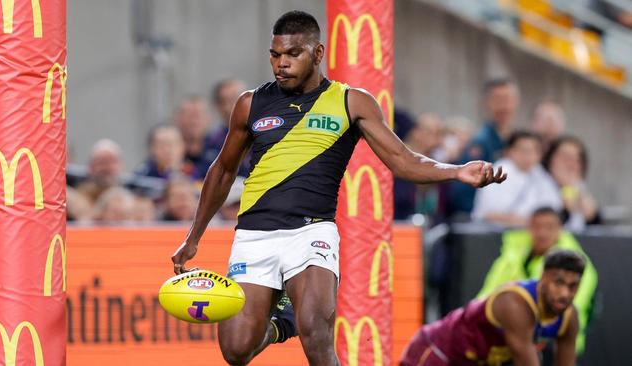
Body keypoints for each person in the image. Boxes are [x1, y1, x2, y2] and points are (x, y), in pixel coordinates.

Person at [170, 10, 506, 366]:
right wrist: (194, 236)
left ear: (317, 54)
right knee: (236, 350)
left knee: (316, 332)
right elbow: (222, 170)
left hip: (312, 231)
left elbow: (402, 160)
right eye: (275, 55)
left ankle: (294, 319)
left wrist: (456, 171)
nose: (281, 64)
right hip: (255, 234)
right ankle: (283, 323)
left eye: (292, 54)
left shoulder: (351, 102)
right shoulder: (250, 104)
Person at [400, 250, 584, 366]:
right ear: (543, 277)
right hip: (439, 352)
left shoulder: (569, 317)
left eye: (572, 286)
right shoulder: (515, 303)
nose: (564, 293)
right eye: (558, 283)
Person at [477, 207, 597, 354]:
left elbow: (570, 309)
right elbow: (488, 293)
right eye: (537, 226)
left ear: (560, 229)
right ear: (529, 227)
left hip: (553, 343)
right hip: (509, 338)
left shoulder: (575, 265)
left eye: (549, 227)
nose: (542, 233)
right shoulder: (512, 255)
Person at [446, 78, 520, 216]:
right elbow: (462, 191)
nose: (504, 107)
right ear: (487, 103)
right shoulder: (481, 143)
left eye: (508, 99)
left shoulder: (519, 140)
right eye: (498, 100)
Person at [472, 131, 561, 226]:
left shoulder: (540, 174)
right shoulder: (497, 172)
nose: (528, 156)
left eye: (533, 151)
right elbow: (489, 214)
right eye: (523, 150)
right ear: (509, 151)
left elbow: (554, 207)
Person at [543, 136, 601, 231]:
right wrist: (566, 210)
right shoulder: (537, 182)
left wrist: (593, 215)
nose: (571, 164)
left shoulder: (579, 186)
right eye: (566, 158)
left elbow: (595, 228)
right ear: (550, 159)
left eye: (577, 160)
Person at [173, 95, 214, 179]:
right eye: (189, 115)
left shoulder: (221, 148)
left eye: (199, 115)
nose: (194, 121)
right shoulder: (167, 151)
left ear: (209, 119)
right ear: (177, 118)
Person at [76, 139, 125, 203]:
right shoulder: (80, 197)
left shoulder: (132, 197)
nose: (107, 167)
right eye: (102, 162)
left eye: (111, 161)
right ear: (91, 167)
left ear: (121, 165)